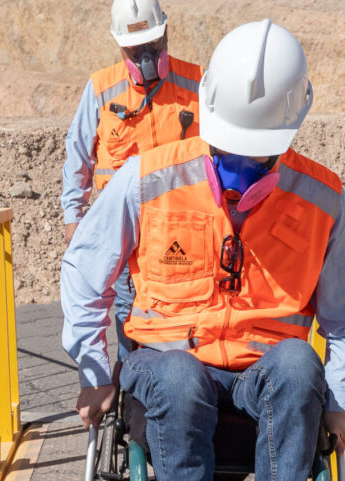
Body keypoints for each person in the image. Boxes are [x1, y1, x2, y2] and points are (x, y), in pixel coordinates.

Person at [61, 19, 345, 481]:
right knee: (174, 378)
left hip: (264, 375)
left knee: (297, 363)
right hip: (169, 369)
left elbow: (342, 318)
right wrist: (94, 369)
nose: (239, 170)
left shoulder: (323, 199)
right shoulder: (148, 177)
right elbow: (84, 274)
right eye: (230, 152)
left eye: (255, 156)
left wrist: (342, 399)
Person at [61, 0, 203, 361]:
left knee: (184, 316)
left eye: (153, 46)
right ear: (120, 46)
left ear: (167, 34)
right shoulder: (101, 89)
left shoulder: (197, 82)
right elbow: (79, 155)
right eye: (136, 49)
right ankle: (129, 394)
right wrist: (72, 217)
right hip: (124, 233)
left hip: (183, 231)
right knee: (130, 316)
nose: (145, 57)